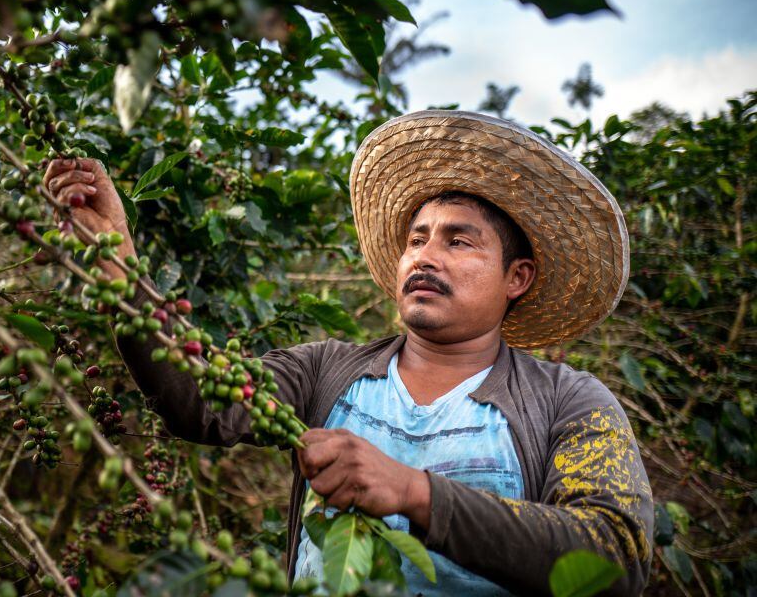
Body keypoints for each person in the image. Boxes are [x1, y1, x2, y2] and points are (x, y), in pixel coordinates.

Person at [42, 110, 654, 595]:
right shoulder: (326, 371)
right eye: (416, 239)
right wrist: (120, 264)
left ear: (516, 278)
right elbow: (199, 398)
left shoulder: (565, 401)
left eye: (458, 241)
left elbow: (613, 556)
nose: (424, 256)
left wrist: (416, 493)